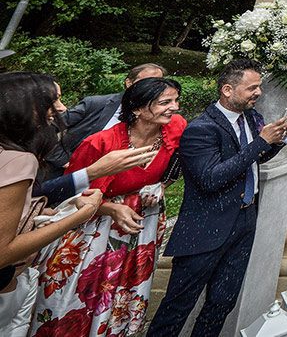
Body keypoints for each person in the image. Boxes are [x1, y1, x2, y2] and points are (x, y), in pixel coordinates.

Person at [31, 77, 187, 337]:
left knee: (124, 297)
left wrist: (161, 186)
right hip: (91, 229)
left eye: (175, 100)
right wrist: (113, 209)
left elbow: (177, 164)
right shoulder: (100, 143)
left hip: (141, 229)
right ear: (137, 109)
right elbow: (75, 194)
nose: (175, 107)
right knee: (80, 296)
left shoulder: (175, 129)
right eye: (165, 102)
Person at [145, 59, 287, 337]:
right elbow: (211, 178)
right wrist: (261, 141)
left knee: (222, 302)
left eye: (258, 87)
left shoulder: (249, 118)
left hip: (244, 220)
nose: (258, 93)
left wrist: (275, 143)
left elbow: (251, 160)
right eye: (252, 88)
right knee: (178, 306)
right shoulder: (201, 128)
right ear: (227, 89)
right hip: (206, 228)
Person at [0, 73, 102, 333]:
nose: (61, 109)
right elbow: (2, 253)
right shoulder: (18, 160)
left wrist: (34, 210)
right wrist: (77, 218)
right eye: (51, 101)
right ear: (22, 106)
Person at [41, 63, 166, 181]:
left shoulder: (158, 117)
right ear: (129, 82)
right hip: (70, 175)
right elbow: (48, 127)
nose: (151, 88)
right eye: (146, 82)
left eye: (158, 84)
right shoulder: (95, 104)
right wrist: (62, 160)